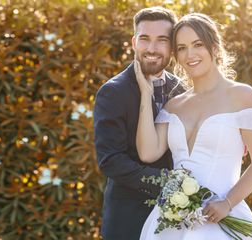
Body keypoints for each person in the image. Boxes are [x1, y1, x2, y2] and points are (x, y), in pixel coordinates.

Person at [135, 13, 252, 239]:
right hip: (170, 223)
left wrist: (227, 203)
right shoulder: (174, 105)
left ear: (215, 47)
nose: (190, 54)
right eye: (181, 48)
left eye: (197, 44)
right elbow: (148, 153)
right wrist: (145, 93)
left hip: (221, 218)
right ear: (176, 55)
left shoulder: (242, 95)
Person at [93, 7, 185, 240]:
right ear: (134, 42)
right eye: (145, 39)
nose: (152, 49)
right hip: (129, 221)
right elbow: (111, 161)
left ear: (172, 46)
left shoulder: (182, 89)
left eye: (161, 40)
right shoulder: (113, 92)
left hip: (181, 220)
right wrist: (167, 184)